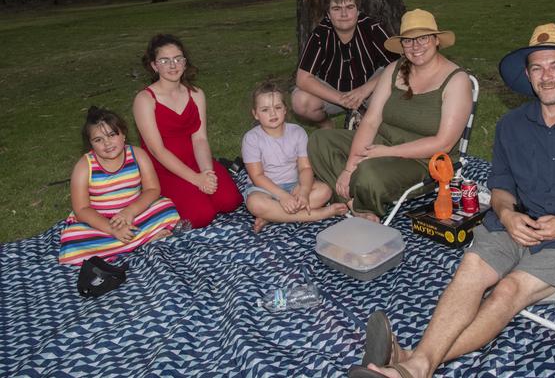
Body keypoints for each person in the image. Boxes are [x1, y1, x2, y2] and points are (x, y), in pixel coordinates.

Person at [349, 23, 555, 378]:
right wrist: (506, 212)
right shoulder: (511, 125)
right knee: (470, 271)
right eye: (537, 67)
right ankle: (412, 362)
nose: (546, 76)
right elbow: (501, 184)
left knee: (508, 290)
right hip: (515, 224)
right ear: (528, 75)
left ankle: (413, 365)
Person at [308, 9, 473, 222]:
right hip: (383, 142)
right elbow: (370, 120)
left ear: (436, 40)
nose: (416, 46)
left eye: (423, 38)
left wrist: (386, 152)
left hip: (426, 159)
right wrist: (349, 167)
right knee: (319, 141)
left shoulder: (456, 80)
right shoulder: (394, 70)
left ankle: (361, 204)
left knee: (368, 174)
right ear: (402, 45)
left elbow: (444, 143)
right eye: (408, 41)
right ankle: (354, 203)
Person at [133, 34, 243, 229]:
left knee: (230, 202)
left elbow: (200, 139)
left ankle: (209, 178)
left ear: (185, 62)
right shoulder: (145, 99)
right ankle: (164, 202)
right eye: (164, 60)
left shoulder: (196, 94)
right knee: (200, 216)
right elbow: (157, 151)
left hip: (195, 158)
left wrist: (206, 172)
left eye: (178, 59)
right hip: (165, 167)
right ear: (154, 66)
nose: (173, 65)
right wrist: (196, 179)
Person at [59, 107, 180, 266]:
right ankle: (143, 240)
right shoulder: (84, 167)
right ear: (91, 144)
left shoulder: (137, 155)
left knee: (166, 207)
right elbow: (81, 210)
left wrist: (129, 211)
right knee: (72, 239)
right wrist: (112, 229)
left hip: (134, 214)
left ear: (123, 134)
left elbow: (152, 189)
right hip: (100, 222)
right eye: (98, 140)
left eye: (111, 135)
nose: (107, 143)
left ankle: (124, 244)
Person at [242, 81, 348, 233]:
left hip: (294, 186)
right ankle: (317, 214)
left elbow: (305, 168)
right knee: (255, 203)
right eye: (265, 110)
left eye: (277, 107)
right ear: (255, 114)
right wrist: (282, 197)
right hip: (265, 189)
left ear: (285, 109)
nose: (273, 114)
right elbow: (257, 176)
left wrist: (304, 191)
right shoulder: (251, 138)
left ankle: (273, 215)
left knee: (324, 191)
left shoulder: (297, 132)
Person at [292, 0, 400, 129]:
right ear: (328, 15)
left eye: (350, 7)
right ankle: (326, 125)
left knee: (396, 92)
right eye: (337, 9)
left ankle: (367, 118)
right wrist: (342, 99)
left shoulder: (372, 27)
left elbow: (398, 63)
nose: (344, 14)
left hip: (369, 88)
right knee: (300, 101)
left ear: (357, 11)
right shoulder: (320, 35)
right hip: (333, 92)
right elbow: (303, 79)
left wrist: (365, 89)